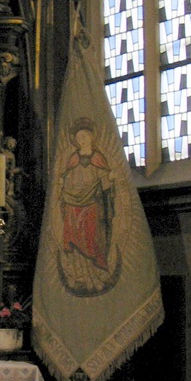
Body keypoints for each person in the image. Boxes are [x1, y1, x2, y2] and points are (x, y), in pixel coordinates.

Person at [59, 118, 114, 276]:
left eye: (84, 136)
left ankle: (95, 273)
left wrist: (109, 178)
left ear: (91, 137)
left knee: (91, 236)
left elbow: (105, 179)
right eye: (79, 138)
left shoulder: (98, 158)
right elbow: (66, 178)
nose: (81, 140)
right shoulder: (73, 159)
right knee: (73, 236)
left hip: (92, 204)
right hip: (72, 204)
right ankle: (79, 272)